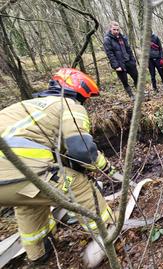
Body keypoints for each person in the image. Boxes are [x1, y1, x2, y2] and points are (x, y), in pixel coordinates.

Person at [0, 68, 114, 265]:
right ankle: (107, 231)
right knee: (80, 186)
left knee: (29, 202)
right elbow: (82, 151)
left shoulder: (24, 107)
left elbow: (57, 152)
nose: (83, 102)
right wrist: (105, 168)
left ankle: (38, 253)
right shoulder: (68, 105)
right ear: (78, 92)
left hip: (11, 183)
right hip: (23, 171)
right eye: (84, 98)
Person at [103, 21, 138, 98]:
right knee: (125, 81)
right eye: (114, 29)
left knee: (136, 77)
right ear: (110, 29)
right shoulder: (107, 40)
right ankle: (131, 95)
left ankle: (139, 92)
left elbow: (129, 49)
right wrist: (116, 66)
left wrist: (133, 60)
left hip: (129, 62)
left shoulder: (123, 37)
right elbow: (110, 54)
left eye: (117, 29)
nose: (116, 31)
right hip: (120, 65)